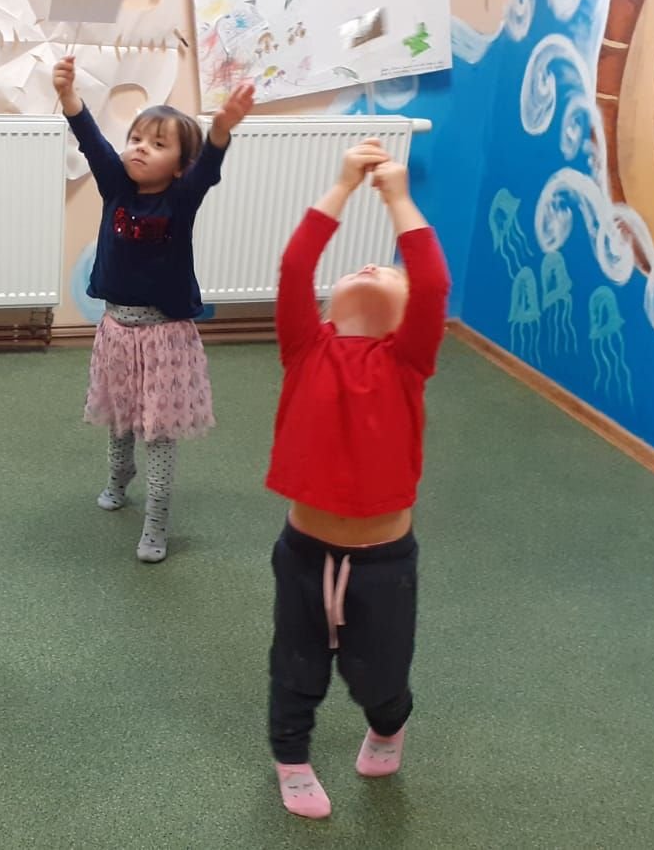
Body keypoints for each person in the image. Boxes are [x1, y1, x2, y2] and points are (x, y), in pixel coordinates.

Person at [264, 140, 451, 818]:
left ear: (408, 313)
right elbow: (296, 264)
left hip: (383, 560)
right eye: (360, 267)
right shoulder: (305, 345)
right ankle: (291, 758)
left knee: (381, 674)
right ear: (328, 308)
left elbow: (432, 280)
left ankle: (389, 725)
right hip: (304, 551)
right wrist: (342, 186)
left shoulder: (407, 360)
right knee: (296, 666)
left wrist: (398, 198)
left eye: (390, 272)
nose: (374, 265)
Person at [52, 55, 256, 562]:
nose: (140, 147)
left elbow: (207, 170)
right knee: (120, 418)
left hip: (164, 336)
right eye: (137, 138)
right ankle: (118, 478)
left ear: (179, 166)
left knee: (158, 432)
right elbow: (92, 142)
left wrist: (221, 131)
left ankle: (156, 523)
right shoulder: (116, 187)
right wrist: (69, 96)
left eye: (158, 144)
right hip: (116, 332)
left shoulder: (180, 200)